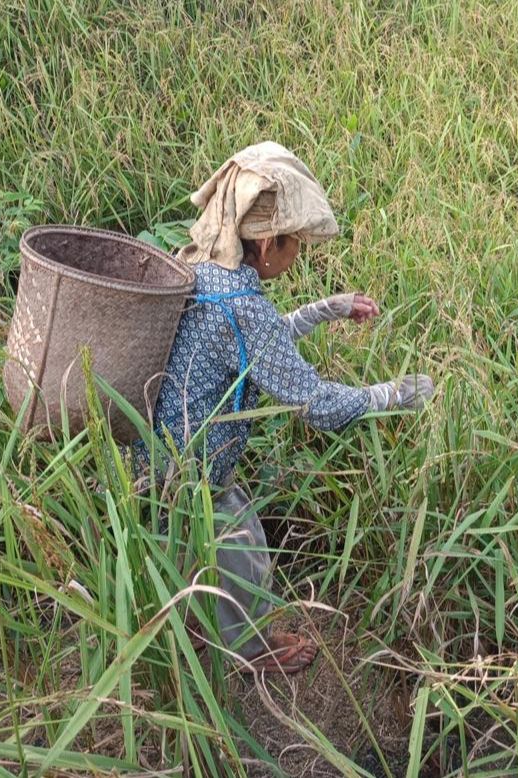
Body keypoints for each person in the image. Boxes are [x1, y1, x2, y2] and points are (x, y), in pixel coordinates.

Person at [137, 141, 434, 674]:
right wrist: (391, 395)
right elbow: (315, 403)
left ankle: (189, 619)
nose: (299, 255)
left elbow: (258, 346)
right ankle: (249, 653)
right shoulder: (242, 307)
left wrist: (325, 309)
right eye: (297, 245)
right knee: (243, 543)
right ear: (269, 243)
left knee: (187, 540)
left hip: (150, 452)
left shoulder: (209, 273)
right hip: (192, 470)